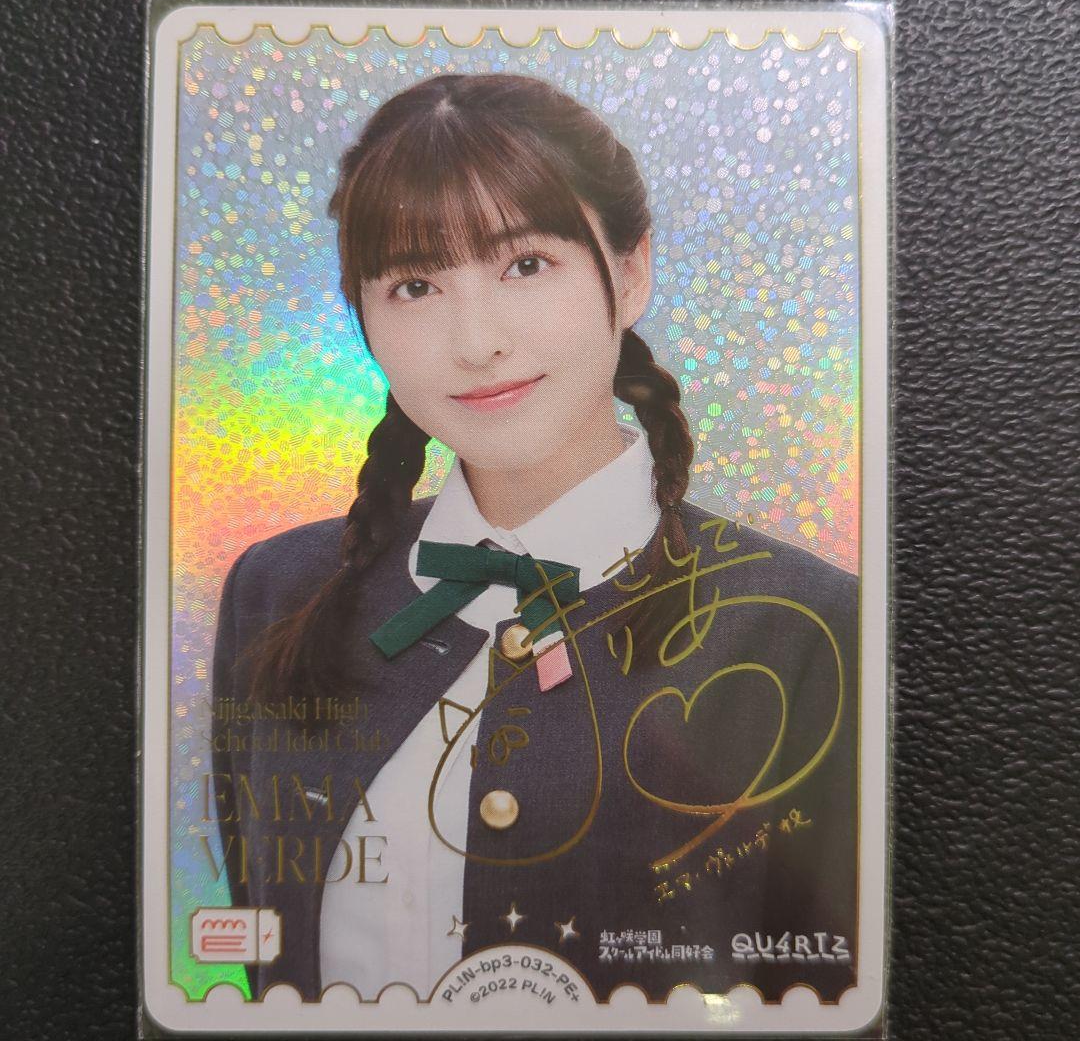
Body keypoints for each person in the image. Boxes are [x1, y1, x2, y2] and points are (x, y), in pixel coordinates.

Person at [210, 72, 859, 1006]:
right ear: (363, 318)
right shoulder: (278, 590)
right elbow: (258, 952)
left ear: (629, 273)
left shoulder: (807, 628)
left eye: (524, 264)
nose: (476, 342)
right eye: (415, 285)